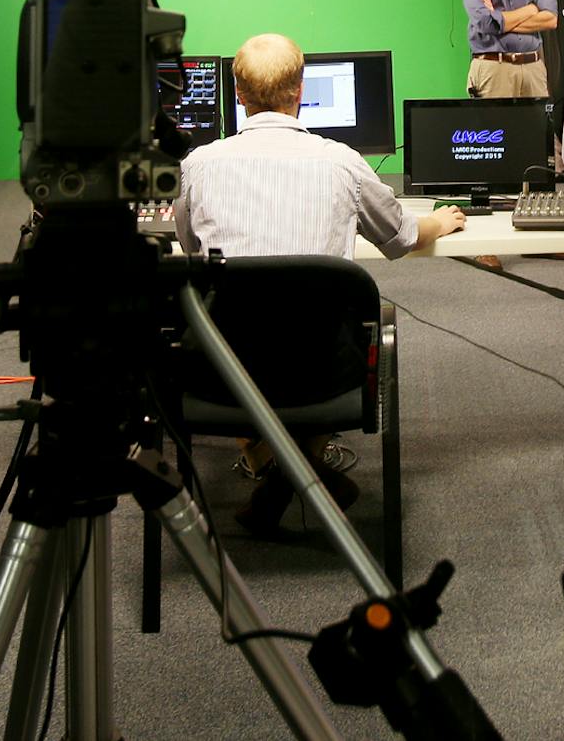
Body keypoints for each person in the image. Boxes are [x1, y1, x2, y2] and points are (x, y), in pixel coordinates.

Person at [174, 33, 467, 531]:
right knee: (344, 325)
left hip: (221, 372)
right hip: (325, 371)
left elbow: (191, 247)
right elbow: (401, 236)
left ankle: (273, 464)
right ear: (300, 89)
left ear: (238, 94)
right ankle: (306, 468)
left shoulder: (197, 166)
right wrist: (440, 222)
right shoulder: (343, 163)